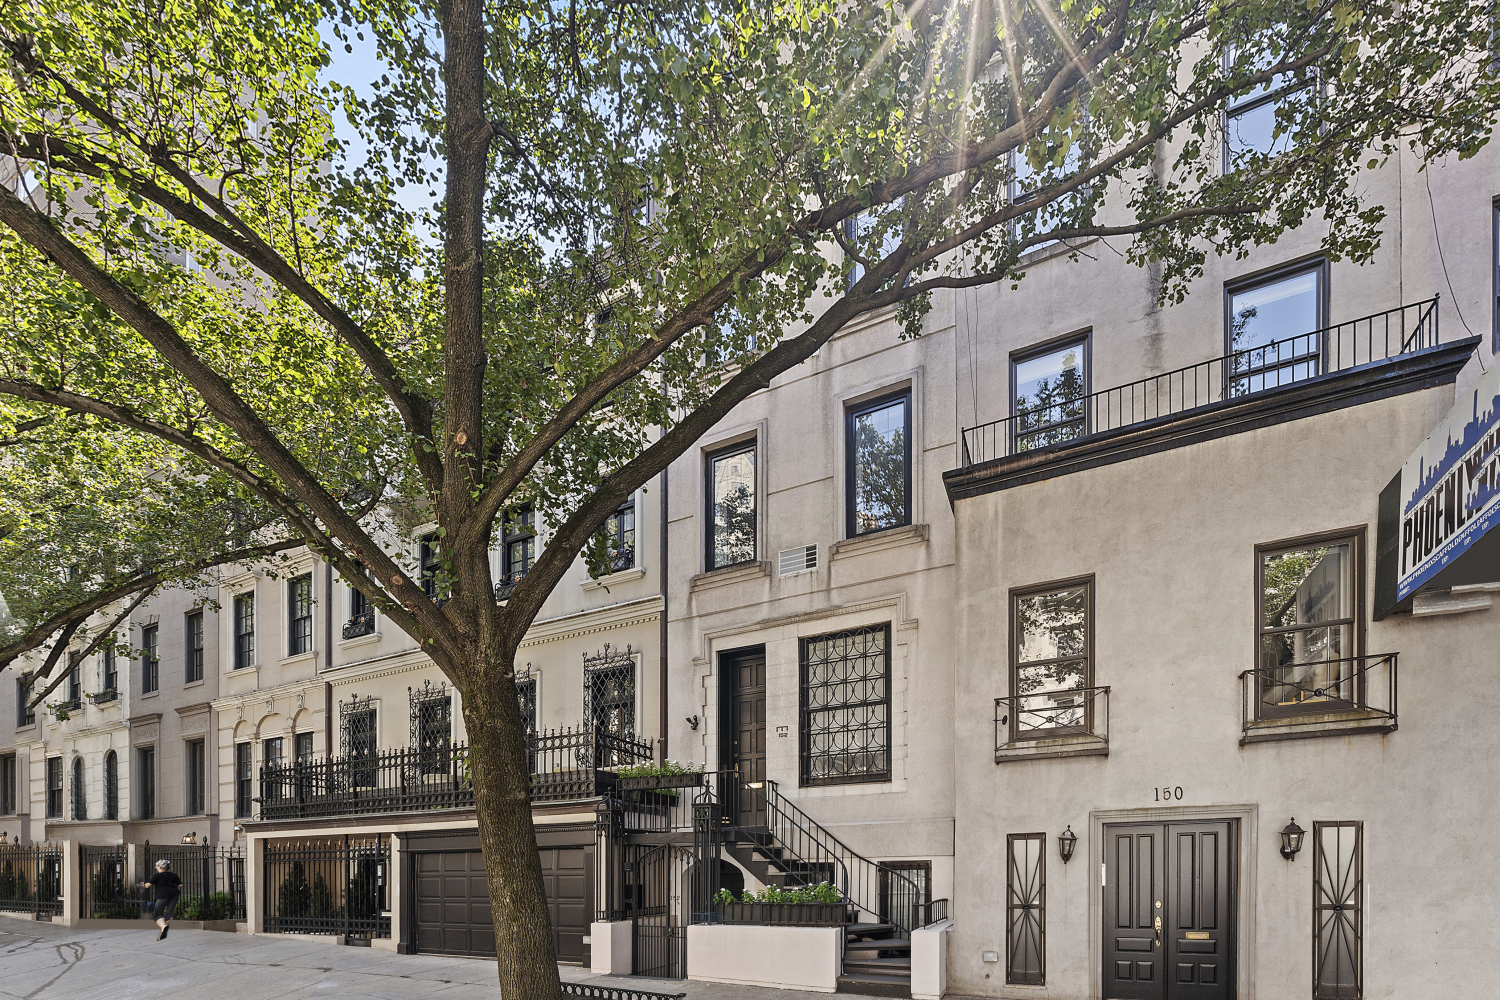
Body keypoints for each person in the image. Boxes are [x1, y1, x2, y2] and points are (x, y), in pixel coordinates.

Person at [138, 859, 182, 940]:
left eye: (157, 867)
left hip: (162, 895)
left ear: (161, 868)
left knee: (157, 914)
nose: (157, 869)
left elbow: (147, 885)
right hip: (174, 895)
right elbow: (180, 885)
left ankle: (163, 926)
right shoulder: (174, 875)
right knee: (169, 912)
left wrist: (141, 885)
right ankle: (164, 932)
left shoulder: (157, 876)